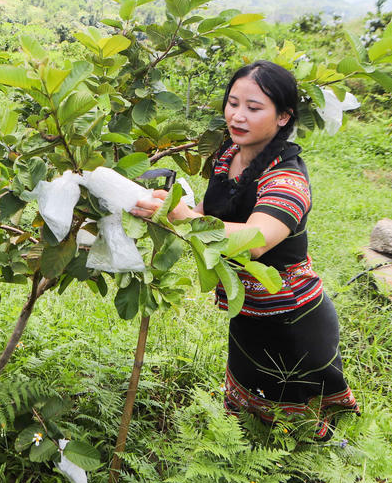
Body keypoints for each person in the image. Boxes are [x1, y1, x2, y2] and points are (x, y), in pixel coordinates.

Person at [133, 60, 358, 438]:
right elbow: (210, 214)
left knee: (304, 431)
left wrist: (185, 217)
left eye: (253, 108)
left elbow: (255, 241)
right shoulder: (227, 157)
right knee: (250, 417)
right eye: (233, 103)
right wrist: (171, 208)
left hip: (294, 318)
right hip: (248, 311)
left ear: (283, 117)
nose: (237, 116)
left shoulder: (288, 179)